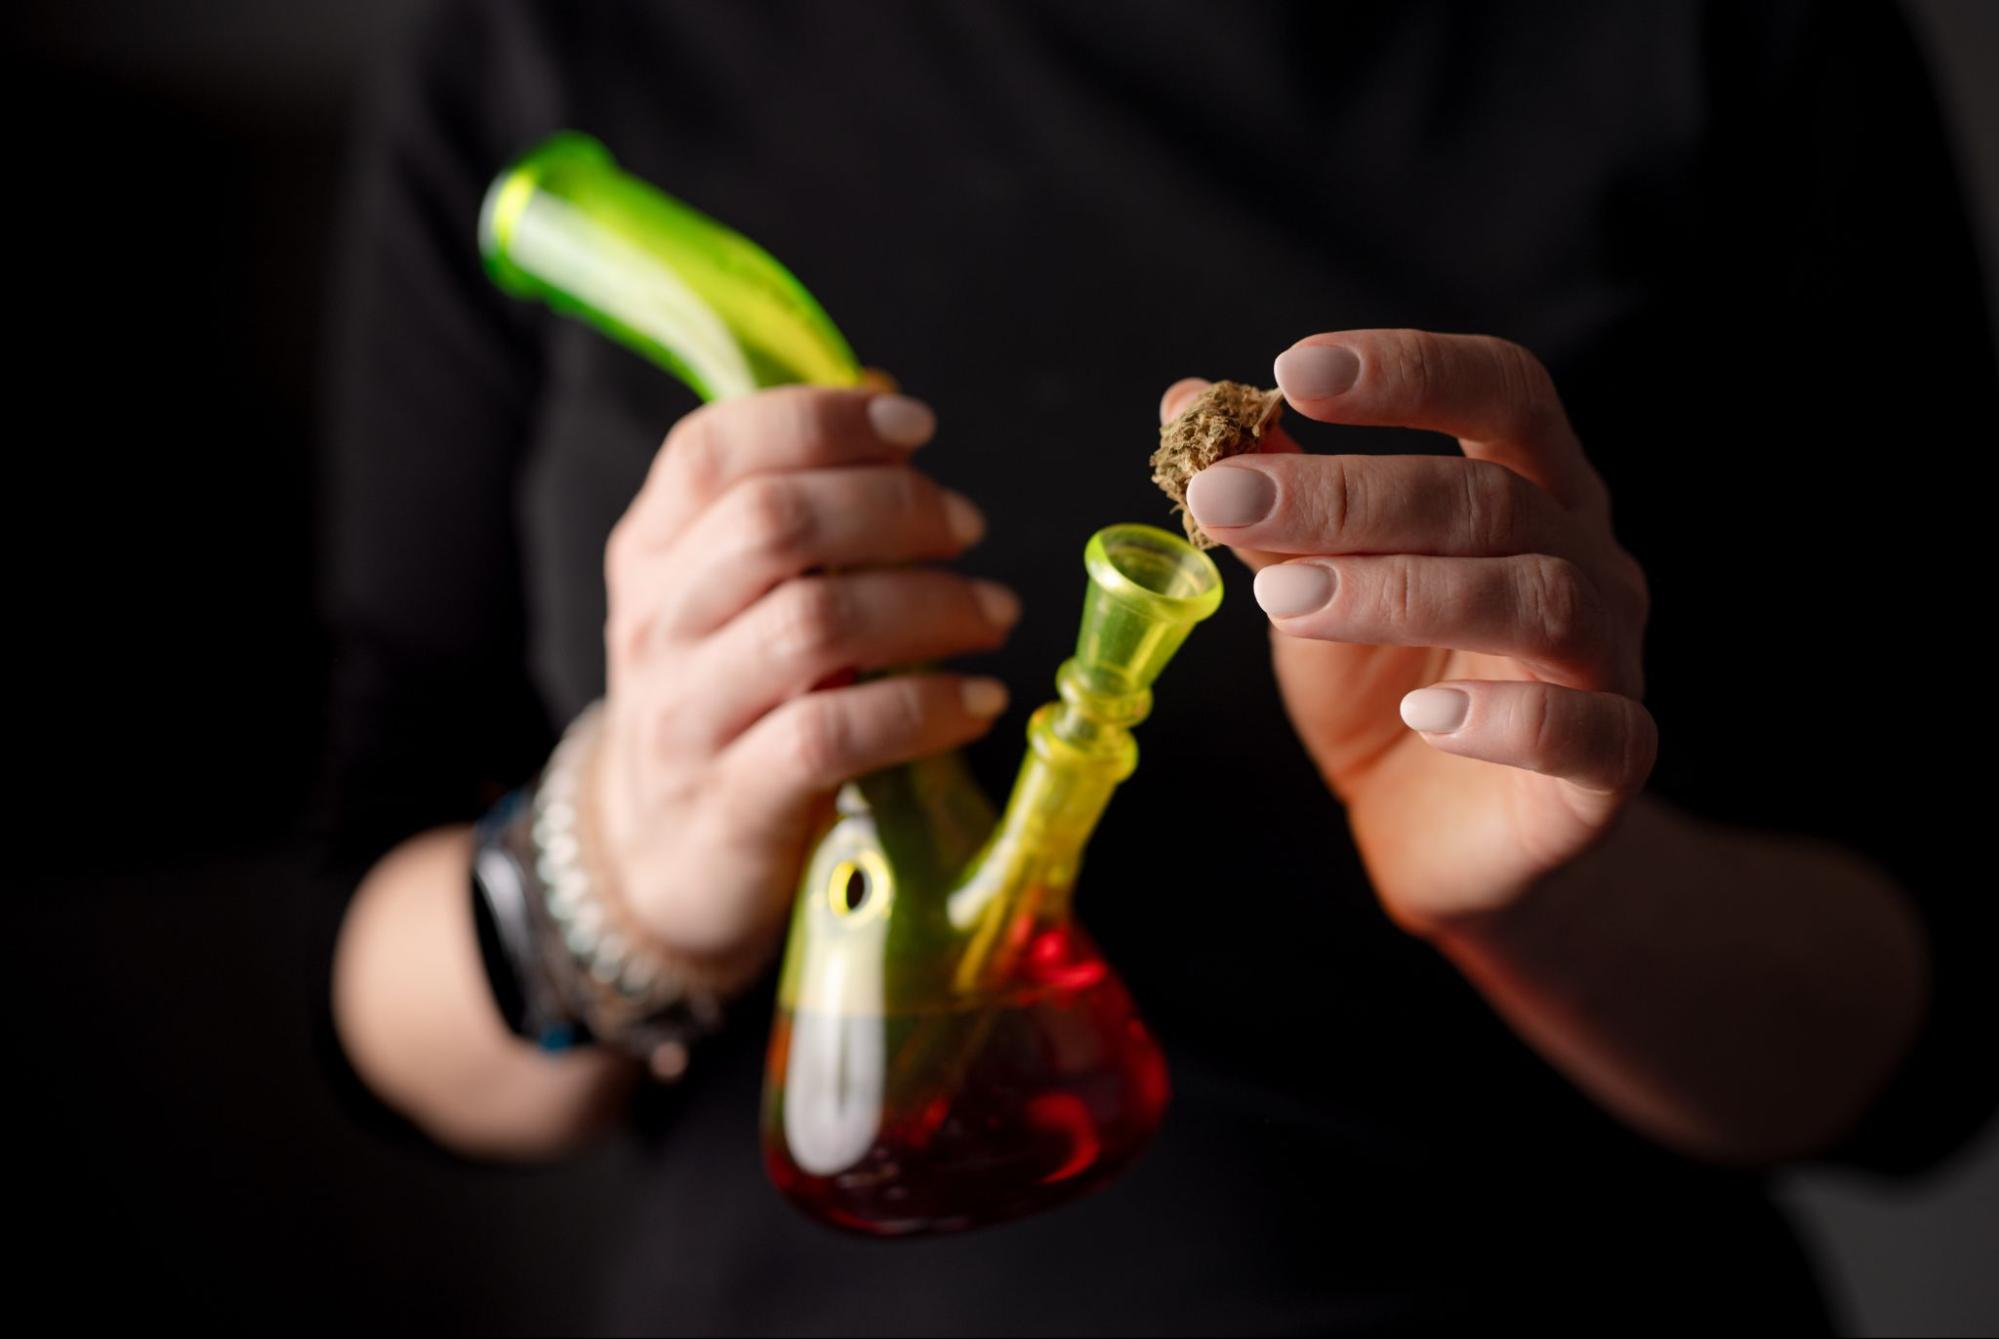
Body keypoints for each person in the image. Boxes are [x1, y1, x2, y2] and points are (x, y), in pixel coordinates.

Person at [320, 1, 1997, 1330]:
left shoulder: (1730, 35)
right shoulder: (549, 40)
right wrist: (619, 868)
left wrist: (1553, 899)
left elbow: (1923, 1047)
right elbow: (373, 976)